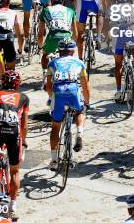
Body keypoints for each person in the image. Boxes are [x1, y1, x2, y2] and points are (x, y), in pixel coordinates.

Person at [0, 70, 28, 221]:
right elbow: (24, 124)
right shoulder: (23, 98)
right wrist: (24, 141)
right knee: (15, 171)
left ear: (2, 82)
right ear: (18, 84)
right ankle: (13, 206)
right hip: (13, 133)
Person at [46, 39, 90, 169]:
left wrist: (50, 97)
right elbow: (86, 87)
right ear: (73, 50)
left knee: (55, 127)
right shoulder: (79, 63)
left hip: (58, 93)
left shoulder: (52, 63)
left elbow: (48, 86)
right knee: (80, 111)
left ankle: (54, 160)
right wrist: (87, 103)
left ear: (59, 51)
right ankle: (79, 133)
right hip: (73, 91)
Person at [37, 0, 79, 86]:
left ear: (51, 1)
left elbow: (40, 34)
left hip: (52, 37)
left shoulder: (46, 10)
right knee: (68, 57)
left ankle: (45, 74)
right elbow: (75, 34)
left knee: (45, 55)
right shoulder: (70, 11)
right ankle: (69, 76)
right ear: (63, 1)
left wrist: (40, 47)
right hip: (66, 37)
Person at [111, 0, 134, 102]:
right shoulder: (132, 7)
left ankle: (119, 91)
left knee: (118, 64)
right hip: (131, 30)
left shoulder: (114, 8)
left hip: (119, 33)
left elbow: (110, 23)